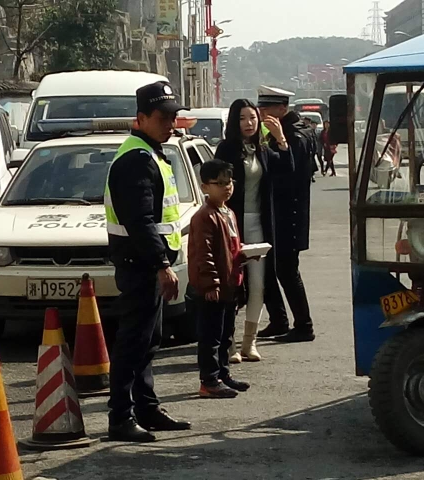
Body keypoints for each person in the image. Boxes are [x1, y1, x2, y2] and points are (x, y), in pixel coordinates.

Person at [104, 81, 191, 442]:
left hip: (146, 263)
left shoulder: (151, 153)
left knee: (148, 339)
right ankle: (121, 417)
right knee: (134, 341)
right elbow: (140, 221)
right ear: (141, 118)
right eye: (162, 117)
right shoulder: (136, 160)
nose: (170, 124)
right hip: (139, 263)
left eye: (173, 117)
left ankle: (147, 408)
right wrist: (161, 265)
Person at [214, 99, 294, 361]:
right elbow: (217, 184)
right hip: (232, 224)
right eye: (242, 118)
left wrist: (281, 140)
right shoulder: (226, 149)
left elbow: (288, 171)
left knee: (259, 284)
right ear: (233, 122)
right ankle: (229, 344)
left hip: (259, 223)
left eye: (252, 118)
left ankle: (250, 343)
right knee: (232, 285)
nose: (248, 123)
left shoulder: (263, 149)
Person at [255, 86, 316, 343]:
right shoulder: (281, 131)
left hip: (289, 213)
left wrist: (280, 141)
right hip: (278, 212)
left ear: (282, 108)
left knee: (287, 270)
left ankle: (304, 324)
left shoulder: (296, 135)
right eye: (261, 109)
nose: (262, 114)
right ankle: (279, 320)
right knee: (271, 268)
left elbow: (291, 173)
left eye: (267, 109)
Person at [189, 159, 251, 398]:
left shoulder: (228, 213)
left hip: (230, 284)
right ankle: (209, 380)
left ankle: (223, 374)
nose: (227, 187)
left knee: (226, 334)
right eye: (220, 183)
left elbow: (231, 248)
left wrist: (246, 255)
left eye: (229, 182)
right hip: (213, 288)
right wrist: (210, 283)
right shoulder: (205, 216)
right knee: (211, 337)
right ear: (205, 187)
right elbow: (203, 254)